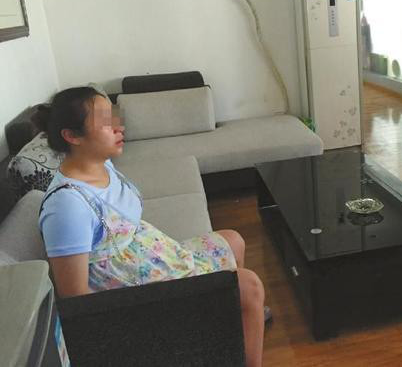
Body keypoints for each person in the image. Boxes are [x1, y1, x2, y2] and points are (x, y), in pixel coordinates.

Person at [35, 87, 267, 367]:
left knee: (233, 240)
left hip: (156, 262)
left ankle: (230, 324)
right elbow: (77, 303)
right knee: (249, 286)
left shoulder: (102, 165)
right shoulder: (67, 206)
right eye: (105, 122)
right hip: (141, 297)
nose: (119, 126)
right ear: (72, 136)